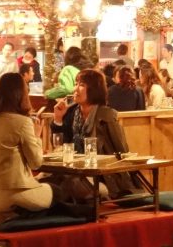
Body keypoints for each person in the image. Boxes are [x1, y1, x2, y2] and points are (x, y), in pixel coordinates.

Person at [0, 73, 51, 224]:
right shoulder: (23, 122)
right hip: (12, 195)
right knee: (58, 191)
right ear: (22, 94)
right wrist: (36, 135)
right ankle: (14, 219)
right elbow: (36, 163)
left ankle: (3, 218)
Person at [50, 68, 133, 198]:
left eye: (81, 85)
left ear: (94, 90)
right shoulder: (71, 113)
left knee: (67, 184)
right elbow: (61, 146)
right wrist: (58, 119)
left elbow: (122, 150)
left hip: (101, 177)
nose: (75, 89)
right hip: (75, 170)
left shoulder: (106, 115)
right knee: (50, 180)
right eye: (76, 84)